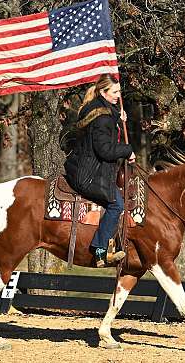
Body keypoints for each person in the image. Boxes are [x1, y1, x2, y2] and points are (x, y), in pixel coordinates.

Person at [64, 74, 136, 268]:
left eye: (119, 91)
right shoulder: (102, 117)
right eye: (114, 92)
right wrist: (127, 150)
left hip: (88, 168)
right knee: (116, 205)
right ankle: (100, 249)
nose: (118, 95)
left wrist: (118, 120)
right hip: (88, 175)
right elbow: (105, 150)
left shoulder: (100, 110)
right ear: (103, 92)